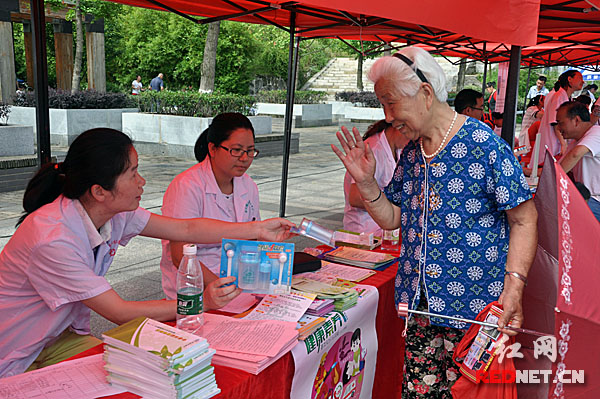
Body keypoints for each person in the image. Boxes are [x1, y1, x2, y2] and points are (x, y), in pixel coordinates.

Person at [0, 128, 293, 378]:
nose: (142, 181)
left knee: (140, 376)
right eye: (133, 173)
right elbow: (120, 312)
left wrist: (257, 230)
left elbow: (186, 229)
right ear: (100, 190)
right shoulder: (52, 239)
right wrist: (199, 303)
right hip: (14, 347)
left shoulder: (114, 211)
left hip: (56, 336)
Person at [331, 47, 537, 398]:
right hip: (420, 309)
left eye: (391, 102)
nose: (387, 115)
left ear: (425, 93)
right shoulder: (413, 152)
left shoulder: (484, 145)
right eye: (382, 104)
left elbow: (524, 218)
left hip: (475, 313)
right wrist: (366, 183)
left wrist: (514, 288)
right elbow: (394, 217)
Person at [160, 113, 261, 299]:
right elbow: (179, 254)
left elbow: (253, 239)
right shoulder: (187, 186)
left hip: (239, 286)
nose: (245, 158)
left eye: (250, 151)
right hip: (196, 290)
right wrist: (222, 288)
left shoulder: (248, 185)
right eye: (236, 150)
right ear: (213, 149)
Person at [343, 120, 408, 235]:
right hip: (365, 232)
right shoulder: (373, 149)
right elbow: (354, 198)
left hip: (386, 231)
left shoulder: (398, 149)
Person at [528, 69, 584, 169]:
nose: (583, 82)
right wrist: (563, 144)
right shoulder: (559, 96)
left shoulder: (565, 96)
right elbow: (555, 122)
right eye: (580, 78)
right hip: (552, 142)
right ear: (569, 79)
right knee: (546, 171)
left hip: (555, 142)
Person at [555, 101, 600, 222]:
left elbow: (575, 155)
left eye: (560, 123)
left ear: (576, 120)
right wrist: (525, 171)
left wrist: (549, 180)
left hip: (595, 200)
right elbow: (559, 168)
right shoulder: (576, 141)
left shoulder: (596, 133)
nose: (558, 128)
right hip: (586, 197)